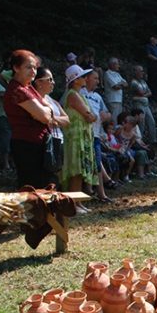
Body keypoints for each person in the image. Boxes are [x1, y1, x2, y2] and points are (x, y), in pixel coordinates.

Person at [3, 50, 55, 189]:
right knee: (32, 187)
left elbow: (48, 110)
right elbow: (44, 117)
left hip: (39, 144)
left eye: (34, 67)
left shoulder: (28, 87)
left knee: (44, 185)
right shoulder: (17, 90)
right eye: (28, 67)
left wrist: (45, 110)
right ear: (16, 68)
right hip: (27, 145)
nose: (33, 71)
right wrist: (45, 111)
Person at [61, 65, 98, 214]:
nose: (85, 79)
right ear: (75, 80)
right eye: (82, 77)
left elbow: (92, 116)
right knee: (75, 171)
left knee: (80, 171)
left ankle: (78, 202)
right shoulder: (72, 95)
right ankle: (73, 204)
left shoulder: (78, 94)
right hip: (75, 139)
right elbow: (89, 116)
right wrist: (91, 116)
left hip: (81, 137)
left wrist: (92, 116)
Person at [33, 66, 69, 181]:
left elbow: (67, 120)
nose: (53, 83)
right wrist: (55, 120)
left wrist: (53, 119)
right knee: (45, 176)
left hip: (58, 141)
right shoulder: (34, 100)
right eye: (50, 79)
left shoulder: (52, 101)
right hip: (44, 144)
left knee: (56, 174)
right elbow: (42, 119)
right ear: (39, 82)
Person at [82, 70, 114, 200]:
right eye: (95, 78)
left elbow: (107, 113)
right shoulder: (79, 93)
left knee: (96, 163)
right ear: (87, 79)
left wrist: (106, 115)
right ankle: (89, 192)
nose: (98, 81)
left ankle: (100, 193)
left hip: (95, 134)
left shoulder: (98, 97)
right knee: (87, 163)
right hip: (82, 134)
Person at [116, 109, 154, 180]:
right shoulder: (119, 129)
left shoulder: (133, 134)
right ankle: (119, 177)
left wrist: (127, 149)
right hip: (118, 147)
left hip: (126, 148)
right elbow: (115, 137)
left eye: (132, 125)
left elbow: (131, 143)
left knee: (132, 159)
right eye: (130, 124)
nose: (131, 126)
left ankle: (127, 175)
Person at [130, 65, 157, 146]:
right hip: (138, 104)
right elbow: (141, 92)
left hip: (146, 104)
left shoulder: (143, 82)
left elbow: (150, 92)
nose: (142, 73)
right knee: (141, 122)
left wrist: (144, 94)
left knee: (151, 121)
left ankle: (153, 140)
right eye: (140, 71)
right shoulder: (134, 82)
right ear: (136, 72)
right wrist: (145, 94)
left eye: (142, 71)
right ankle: (138, 140)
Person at [103, 57, 128, 122]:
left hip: (119, 100)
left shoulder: (117, 74)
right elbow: (115, 87)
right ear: (112, 65)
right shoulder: (107, 73)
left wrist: (120, 84)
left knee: (119, 119)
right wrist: (121, 83)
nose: (119, 66)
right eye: (117, 64)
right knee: (114, 120)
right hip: (112, 100)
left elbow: (126, 84)